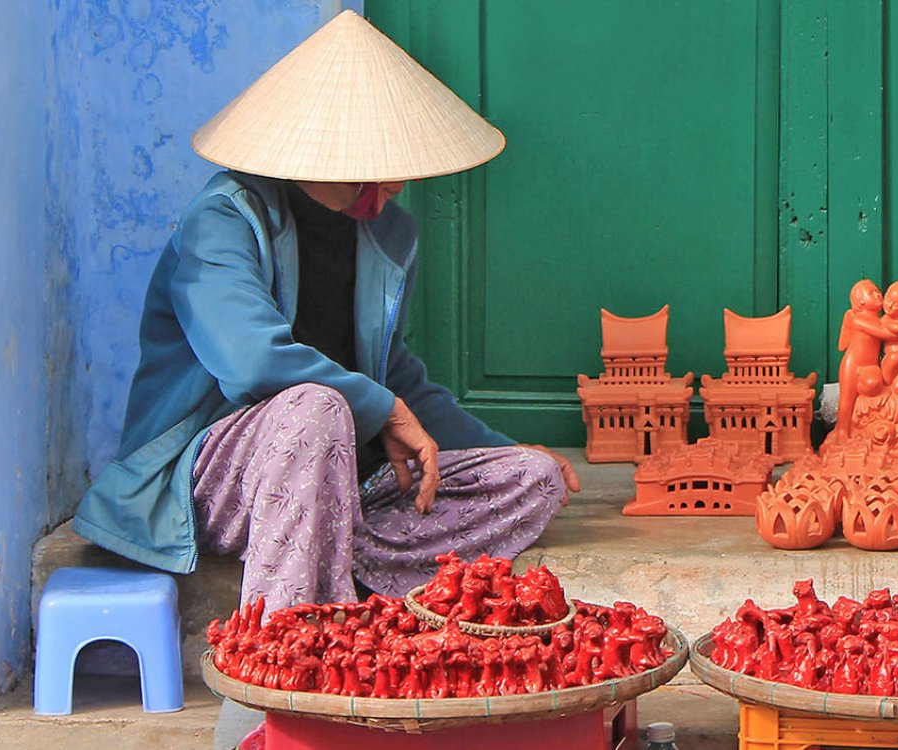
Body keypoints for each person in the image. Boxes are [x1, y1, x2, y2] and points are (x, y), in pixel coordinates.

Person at [72, 11, 579, 620]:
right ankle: (284, 645)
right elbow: (250, 362)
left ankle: (334, 557)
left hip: (343, 478)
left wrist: (501, 445)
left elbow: (396, 377)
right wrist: (380, 408)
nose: (395, 181)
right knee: (316, 408)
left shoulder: (389, 233)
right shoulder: (223, 221)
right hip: (222, 472)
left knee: (532, 478)